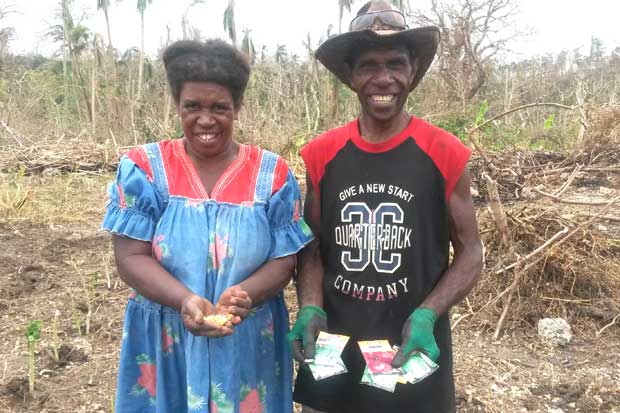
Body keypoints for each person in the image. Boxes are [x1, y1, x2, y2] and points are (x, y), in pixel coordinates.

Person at [288, 1, 483, 412]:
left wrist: (428, 315)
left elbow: (470, 253)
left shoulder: (445, 153)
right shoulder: (321, 154)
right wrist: (309, 305)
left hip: (411, 346)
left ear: (413, 70)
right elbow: (312, 248)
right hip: (335, 345)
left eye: (395, 64)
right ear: (351, 75)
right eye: (369, 66)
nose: (384, 79)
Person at [102, 39, 313, 413]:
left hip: (247, 339)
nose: (205, 119)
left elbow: (285, 261)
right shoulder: (145, 169)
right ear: (177, 105)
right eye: (192, 106)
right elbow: (130, 256)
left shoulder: (272, 175)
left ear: (238, 107)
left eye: (220, 107)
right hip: (168, 340)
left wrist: (245, 294)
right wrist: (184, 300)